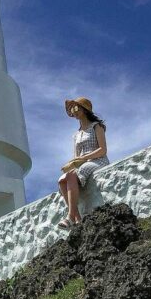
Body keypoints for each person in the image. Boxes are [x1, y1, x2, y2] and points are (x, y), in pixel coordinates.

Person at [57, 96, 109, 228]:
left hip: (98, 161)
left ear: (84, 109)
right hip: (82, 163)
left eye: (75, 108)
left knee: (72, 175)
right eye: (71, 109)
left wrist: (84, 158)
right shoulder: (76, 135)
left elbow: (103, 150)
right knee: (62, 180)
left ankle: (70, 216)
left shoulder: (96, 126)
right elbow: (76, 156)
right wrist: (72, 164)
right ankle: (77, 218)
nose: (73, 111)